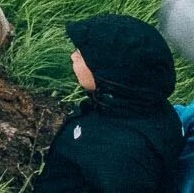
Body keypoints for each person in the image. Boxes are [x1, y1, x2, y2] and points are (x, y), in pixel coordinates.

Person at [29, 14, 183, 193]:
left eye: (81, 55)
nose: (73, 57)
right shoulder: (140, 105)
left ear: (110, 76)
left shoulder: (122, 156)